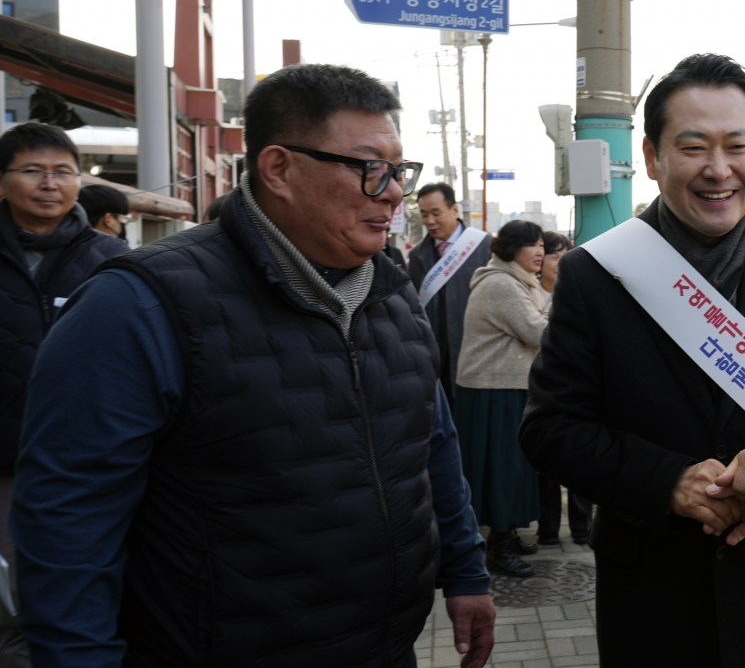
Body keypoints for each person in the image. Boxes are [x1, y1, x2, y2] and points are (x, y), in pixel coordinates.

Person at [11, 64, 496, 668]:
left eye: (398, 170)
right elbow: (68, 523)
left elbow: (432, 448)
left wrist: (465, 572)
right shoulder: (139, 304)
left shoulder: (393, 295)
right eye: (369, 168)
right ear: (278, 169)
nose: (394, 192)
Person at [521, 53, 745, 668]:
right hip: (652, 591)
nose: (718, 170)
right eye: (693, 147)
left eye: (737, 146)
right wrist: (667, 480)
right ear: (653, 158)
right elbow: (550, 430)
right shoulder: (595, 276)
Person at [0, 123, 128, 666]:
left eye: (63, 172)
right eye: (32, 171)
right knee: (13, 601)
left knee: (86, 585)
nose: (49, 184)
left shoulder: (112, 257)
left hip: (93, 460)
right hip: (5, 461)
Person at [455, 220, 548, 579]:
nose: (540, 252)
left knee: (511, 467)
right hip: (492, 391)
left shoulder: (517, 282)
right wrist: (564, 305)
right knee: (501, 469)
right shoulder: (501, 284)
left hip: (505, 386)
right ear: (512, 249)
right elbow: (537, 331)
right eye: (533, 245)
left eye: (542, 245)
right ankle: (499, 546)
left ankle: (505, 535)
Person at [534, 231, 594, 546]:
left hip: (582, 389)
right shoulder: (528, 292)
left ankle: (582, 528)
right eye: (553, 255)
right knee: (548, 462)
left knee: (584, 458)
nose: (560, 262)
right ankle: (547, 529)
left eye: (563, 255)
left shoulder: (580, 290)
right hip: (543, 389)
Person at [409, 183, 492, 399]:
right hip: (435, 354)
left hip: (477, 353)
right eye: (424, 214)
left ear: (454, 210)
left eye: (436, 213)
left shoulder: (485, 246)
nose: (429, 221)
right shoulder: (418, 256)